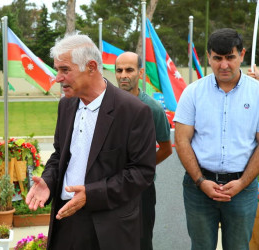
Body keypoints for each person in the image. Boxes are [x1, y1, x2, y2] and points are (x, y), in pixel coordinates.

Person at [25, 33, 156, 250]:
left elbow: (141, 172)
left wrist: (91, 194)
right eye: (57, 70)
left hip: (110, 229)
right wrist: (48, 180)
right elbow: (60, 155)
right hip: (65, 219)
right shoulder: (66, 106)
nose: (58, 77)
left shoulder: (134, 111)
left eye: (65, 70)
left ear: (92, 67)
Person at [174, 28, 259, 249]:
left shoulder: (257, 94)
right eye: (217, 58)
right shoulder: (192, 93)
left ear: (242, 55)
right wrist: (201, 182)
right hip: (198, 190)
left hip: (244, 189)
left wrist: (242, 183)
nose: (224, 65)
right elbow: (182, 141)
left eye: (230, 57)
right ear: (208, 57)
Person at [115, 51, 172, 250]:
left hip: (141, 190)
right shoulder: (105, 104)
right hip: (110, 187)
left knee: (141, 242)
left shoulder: (153, 109)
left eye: (129, 70)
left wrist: (142, 168)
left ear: (140, 73)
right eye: (119, 70)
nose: (123, 75)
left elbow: (166, 149)